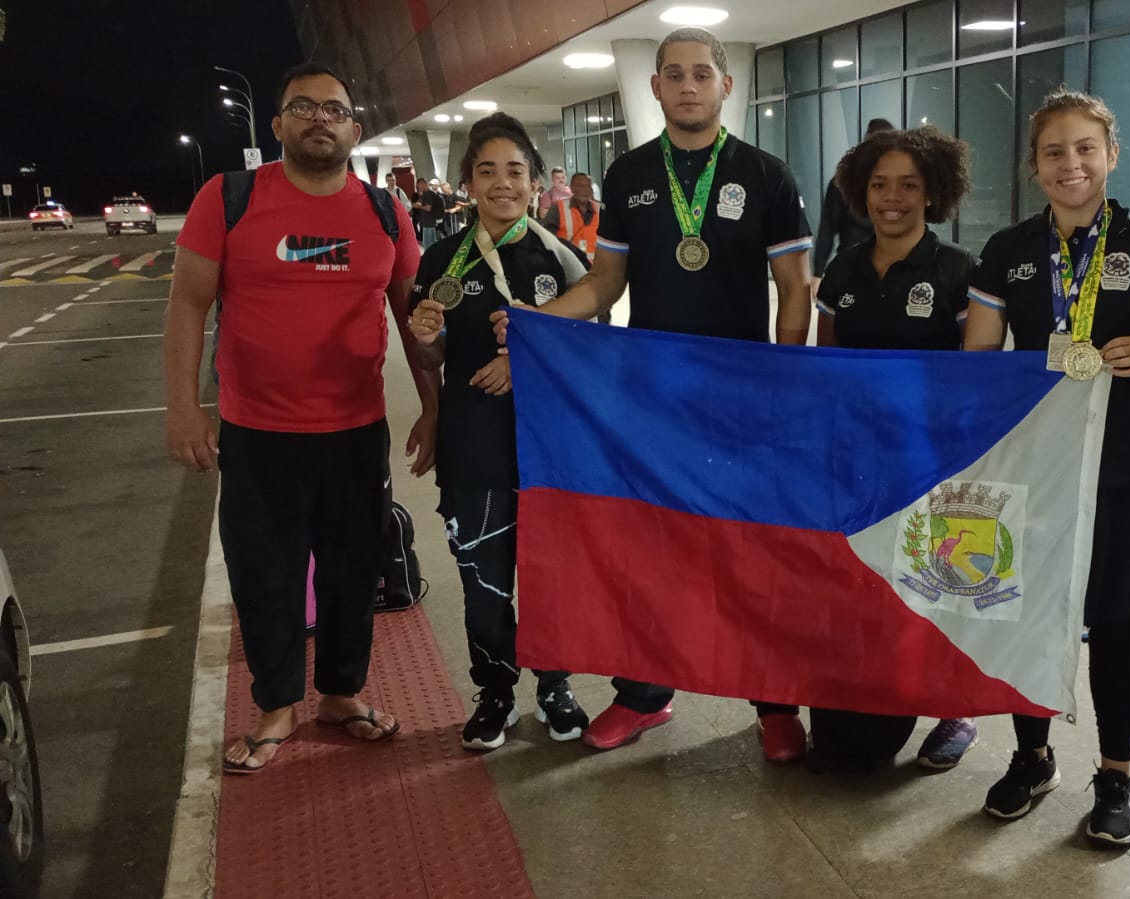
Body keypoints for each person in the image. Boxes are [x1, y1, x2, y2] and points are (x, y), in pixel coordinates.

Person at [492, 26, 814, 761]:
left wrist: (787, 377)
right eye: (674, 74)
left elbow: (794, 286)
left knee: (750, 548)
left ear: (726, 85)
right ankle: (645, 694)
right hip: (655, 399)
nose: (688, 85)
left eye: (702, 73)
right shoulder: (632, 172)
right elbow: (606, 283)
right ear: (656, 87)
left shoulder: (765, 174)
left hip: (741, 395)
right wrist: (533, 324)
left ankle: (773, 701)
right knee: (653, 549)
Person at [162, 62, 437, 773]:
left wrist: (433, 405)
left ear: (354, 128)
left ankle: (341, 694)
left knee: (353, 569)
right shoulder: (229, 197)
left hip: (354, 429)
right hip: (258, 431)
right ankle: (276, 704)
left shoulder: (385, 211)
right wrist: (184, 406)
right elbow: (188, 302)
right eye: (304, 107)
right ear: (278, 124)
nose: (321, 118)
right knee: (266, 571)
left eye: (336, 109)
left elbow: (412, 318)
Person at [963, 88, 1130, 845]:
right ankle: (1031, 756)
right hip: (1034, 465)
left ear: (1111, 154)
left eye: (1084, 148)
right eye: (1054, 151)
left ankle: (1115, 774)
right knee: (1023, 612)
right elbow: (977, 357)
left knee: (1113, 619)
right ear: (1035, 166)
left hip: (1125, 465)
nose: (1071, 163)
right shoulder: (1007, 252)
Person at [406, 113, 594, 751]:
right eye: (487, 171)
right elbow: (431, 361)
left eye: (515, 170)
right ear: (468, 183)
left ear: (537, 183)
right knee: (482, 576)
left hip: (551, 447)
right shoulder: (440, 259)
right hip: (475, 446)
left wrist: (526, 359)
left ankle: (555, 687)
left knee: (550, 573)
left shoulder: (563, 258)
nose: (502, 183)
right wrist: (426, 340)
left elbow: (593, 350)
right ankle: (494, 694)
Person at [814, 125, 983, 771]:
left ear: (932, 192)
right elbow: (824, 364)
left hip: (930, 460)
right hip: (857, 459)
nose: (892, 198)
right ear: (860, 191)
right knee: (869, 584)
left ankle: (956, 708)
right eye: (880, 184)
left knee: (936, 580)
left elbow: (977, 376)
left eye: (908, 185)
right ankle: (877, 688)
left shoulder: (957, 271)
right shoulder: (843, 271)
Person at [811, 118, 895, 297]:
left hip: (894, 270)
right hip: (853, 270)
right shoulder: (843, 183)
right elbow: (827, 227)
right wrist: (818, 273)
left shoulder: (899, 190)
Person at [541, 171, 600, 263]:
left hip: (595, 268)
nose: (584, 190)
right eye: (580, 186)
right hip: (569, 266)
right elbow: (547, 238)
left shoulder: (599, 210)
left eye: (587, 186)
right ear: (571, 188)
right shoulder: (559, 208)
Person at [413, 178, 443, 247]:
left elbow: (428, 208)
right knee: (431, 244)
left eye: (419, 186)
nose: (419, 188)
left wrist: (419, 206)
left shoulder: (428, 194)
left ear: (423, 184)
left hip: (428, 223)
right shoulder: (426, 194)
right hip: (429, 223)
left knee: (428, 245)